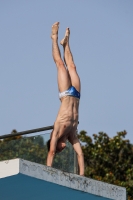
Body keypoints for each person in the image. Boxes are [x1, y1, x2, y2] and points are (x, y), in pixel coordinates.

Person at [46, 22, 84, 176]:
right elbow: (80, 154)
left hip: (66, 92)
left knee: (61, 65)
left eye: (59, 148)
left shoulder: (57, 131)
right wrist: (82, 177)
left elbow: (52, 152)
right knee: (72, 66)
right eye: (62, 149)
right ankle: (65, 44)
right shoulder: (72, 135)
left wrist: (48, 172)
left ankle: (54, 38)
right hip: (76, 94)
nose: (63, 149)